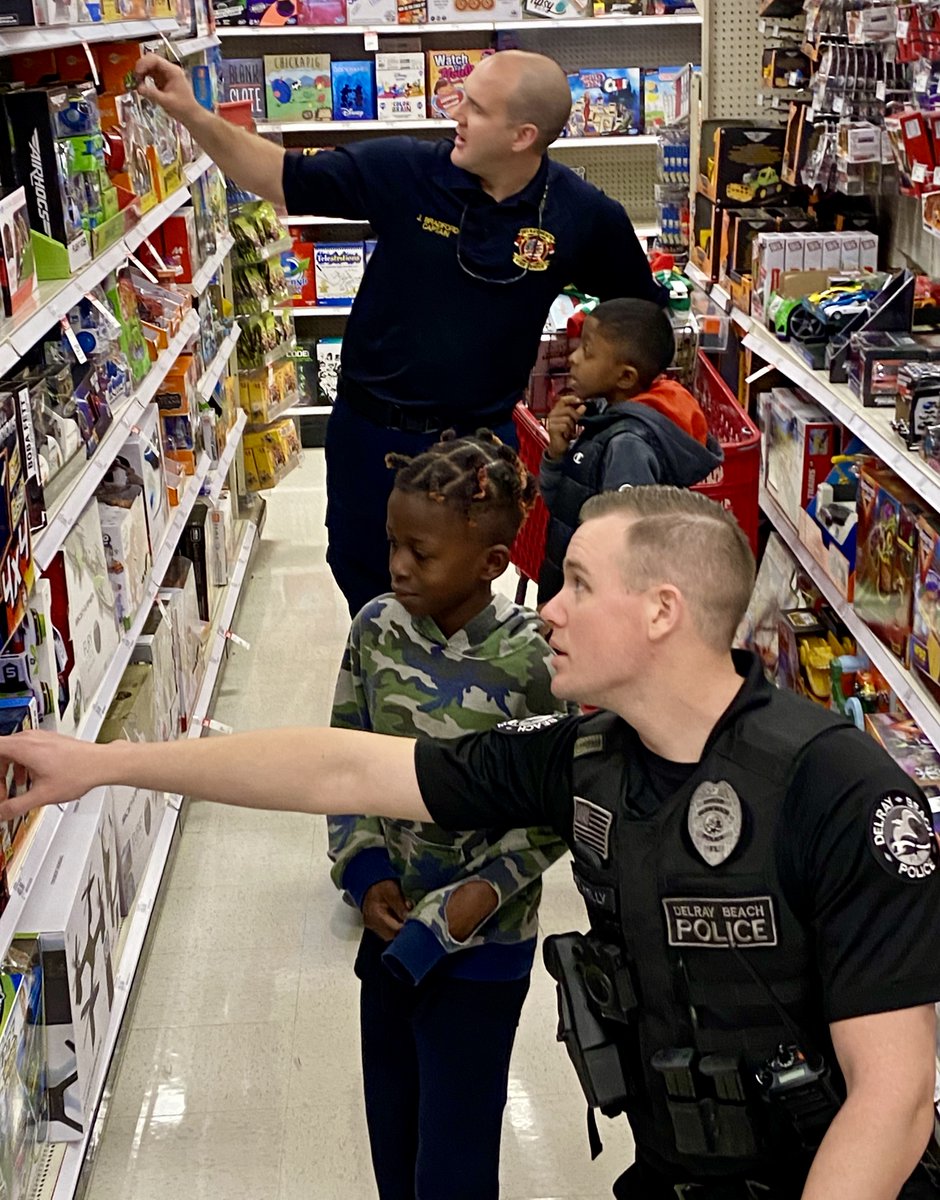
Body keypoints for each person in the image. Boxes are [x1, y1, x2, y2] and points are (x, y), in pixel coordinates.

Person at [5, 487, 939, 1200]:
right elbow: (343, 771)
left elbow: (892, 1101)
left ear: (661, 611)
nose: (548, 613)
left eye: (577, 584)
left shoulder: (836, 787)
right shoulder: (585, 757)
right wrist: (107, 763)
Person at [135, 49, 667, 616]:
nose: (455, 115)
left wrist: (590, 390)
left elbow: (643, 316)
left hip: (479, 450)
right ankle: (382, 688)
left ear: (523, 135)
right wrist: (192, 112)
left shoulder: (579, 214)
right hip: (372, 435)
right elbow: (279, 176)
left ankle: (452, 698)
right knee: (365, 581)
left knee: (461, 598)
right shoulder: (406, 171)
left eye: (477, 109)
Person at [328, 430, 568, 1199]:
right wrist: (364, 872)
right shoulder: (375, 629)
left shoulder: (537, 660)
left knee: (456, 1158)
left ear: (492, 563)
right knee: (393, 1135)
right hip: (391, 931)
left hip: (485, 950)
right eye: (394, 543)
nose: (398, 565)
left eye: (421, 554)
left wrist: (485, 894)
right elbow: (344, 755)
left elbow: (562, 800)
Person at [537, 297, 722, 603]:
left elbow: (622, 548)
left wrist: (574, 603)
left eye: (588, 351)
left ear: (625, 377)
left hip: (592, 605)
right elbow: (564, 503)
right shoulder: (603, 417)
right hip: (571, 591)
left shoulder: (628, 446)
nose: (573, 358)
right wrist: (557, 454)